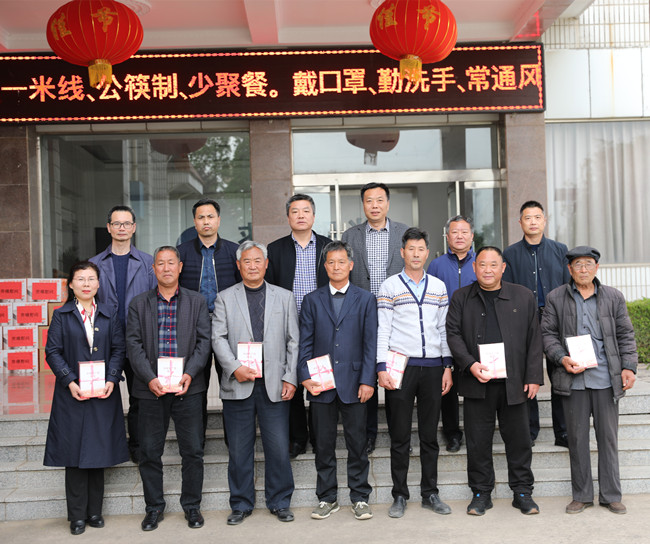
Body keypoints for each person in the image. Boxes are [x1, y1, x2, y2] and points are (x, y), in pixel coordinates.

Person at [446, 246, 544, 516]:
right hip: (477, 382)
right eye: (482, 265)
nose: (487, 270)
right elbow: (453, 334)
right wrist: (470, 364)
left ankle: (522, 492)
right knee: (477, 442)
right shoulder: (461, 297)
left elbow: (535, 338)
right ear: (474, 267)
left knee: (520, 441)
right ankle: (481, 493)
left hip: (515, 383)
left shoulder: (523, 296)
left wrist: (534, 376)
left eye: (493, 265)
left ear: (503, 268)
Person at [541, 246, 637, 515]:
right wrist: (561, 358)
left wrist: (628, 367)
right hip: (573, 381)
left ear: (597, 268)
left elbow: (625, 335)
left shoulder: (613, 297)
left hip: (606, 379)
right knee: (577, 439)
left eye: (588, 264)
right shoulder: (555, 298)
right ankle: (581, 495)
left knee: (608, 439)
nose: (583, 269)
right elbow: (547, 335)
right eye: (578, 265)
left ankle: (611, 495)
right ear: (569, 269)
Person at [213, 241, 299, 525]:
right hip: (239, 383)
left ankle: (280, 501)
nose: (252, 266)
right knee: (239, 450)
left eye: (257, 260)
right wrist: (234, 367)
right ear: (238, 266)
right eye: (246, 261)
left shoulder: (284, 297)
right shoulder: (225, 298)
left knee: (278, 447)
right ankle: (240, 503)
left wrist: (290, 377)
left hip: (274, 383)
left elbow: (294, 341)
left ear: (266, 264)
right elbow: (218, 338)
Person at [126, 246, 211, 531]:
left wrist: (190, 373)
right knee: (150, 452)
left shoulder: (197, 301)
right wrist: (149, 377)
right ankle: (154, 508)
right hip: (151, 389)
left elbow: (204, 342)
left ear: (180, 267)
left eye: (170, 263)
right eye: (160, 263)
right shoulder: (139, 304)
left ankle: (192, 506)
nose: (166, 268)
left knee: (193, 451)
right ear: (153, 269)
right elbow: (133, 345)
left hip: (188, 387)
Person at [43, 261, 129, 535]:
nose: (86, 284)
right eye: (80, 279)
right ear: (71, 284)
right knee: (74, 454)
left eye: (91, 278)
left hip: (103, 391)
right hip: (72, 393)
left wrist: (112, 379)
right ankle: (77, 515)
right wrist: (69, 381)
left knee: (98, 450)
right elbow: (52, 352)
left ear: (98, 284)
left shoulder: (109, 313)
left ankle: (95, 512)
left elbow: (119, 349)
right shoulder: (61, 315)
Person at [377, 228, 453, 518]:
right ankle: (399, 495)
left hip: (433, 367)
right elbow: (383, 329)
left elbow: (443, 328)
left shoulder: (438, 287)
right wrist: (381, 367)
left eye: (421, 249)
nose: (416, 254)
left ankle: (430, 493)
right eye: (411, 249)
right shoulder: (389, 286)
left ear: (427, 252)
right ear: (402, 252)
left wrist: (447, 366)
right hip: (401, 368)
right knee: (399, 436)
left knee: (429, 435)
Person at [299, 241, 377, 521]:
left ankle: (360, 497)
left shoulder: (365, 299)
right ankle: (327, 497)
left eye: (341, 262)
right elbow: (305, 343)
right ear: (325, 266)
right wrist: (304, 376)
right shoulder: (312, 300)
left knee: (357, 444)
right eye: (331, 262)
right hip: (321, 384)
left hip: (355, 383)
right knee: (323, 444)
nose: (336, 267)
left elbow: (370, 343)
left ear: (350, 265)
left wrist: (368, 380)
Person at [341, 182, 409, 454]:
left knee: (395, 375)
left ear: (388, 203)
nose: (375, 205)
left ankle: (398, 435)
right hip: (361, 314)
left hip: (397, 315)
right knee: (366, 372)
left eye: (380, 200)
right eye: (369, 200)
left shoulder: (404, 233)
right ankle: (368, 434)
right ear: (363, 204)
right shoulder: (350, 235)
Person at [266, 194, 332, 459]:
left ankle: (319, 438)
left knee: (320, 381)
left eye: (306, 211)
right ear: (288, 217)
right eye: (295, 211)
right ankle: (297, 438)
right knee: (291, 381)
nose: (301, 215)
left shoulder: (328, 247)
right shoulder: (275, 249)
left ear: (314, 216)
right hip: (287, 327)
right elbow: (270, 290)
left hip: (322, 325)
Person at [90, 205, 156, 463]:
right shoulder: (94, 264)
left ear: (134, 228)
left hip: (140, 342)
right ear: (109, 228)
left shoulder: (148, 263)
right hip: (106, 342)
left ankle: (138, 447)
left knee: (140, 396)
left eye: (126, 223)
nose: (121, 228)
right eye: (116, 223)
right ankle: (108, 446)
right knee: (104, 395)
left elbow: (154, 303)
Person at [503, 200, 570, 448]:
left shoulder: (560, 250)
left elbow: (568, 286)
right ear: (520, 222)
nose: (533, 222)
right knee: (527, 373)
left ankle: (563, 432)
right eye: (528, 217)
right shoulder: (510, 254)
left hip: (555, 319)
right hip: (523, 320)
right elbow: (507, 290)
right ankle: (529, 431)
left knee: (559, 373)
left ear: (544, 220)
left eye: (537, 217)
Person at [177, 198, 241, 439]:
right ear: (194, 222)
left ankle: (234, 439)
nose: (206, 221)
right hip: (194, 326)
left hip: (228, 325)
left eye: (210, 216)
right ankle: (197, 441)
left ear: (219, 220)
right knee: (196, 383)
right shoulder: (182, 253)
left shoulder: (234, 251)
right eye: (201, 217)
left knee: (231, 379)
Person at [426, 214, 476, 453]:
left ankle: (476, 431)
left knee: (476, 384)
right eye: (455, 232)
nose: (459, 236)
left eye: (464, 232)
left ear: (472, 236)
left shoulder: (480, 263)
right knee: (448, 387)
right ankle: (452, 433)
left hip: (476, 333)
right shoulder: (436, 265)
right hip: (446, 334)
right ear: (447, 237)